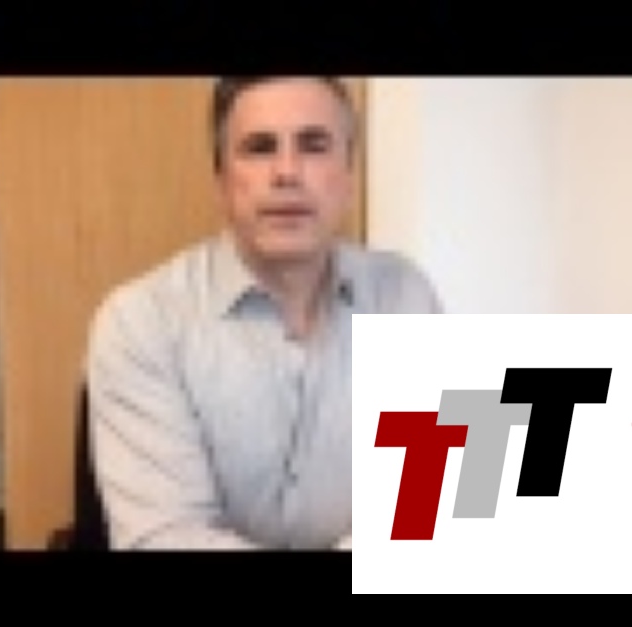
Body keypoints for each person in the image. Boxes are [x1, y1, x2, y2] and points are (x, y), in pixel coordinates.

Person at [85, 77, 442, 550]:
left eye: (313, 146)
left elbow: (425, 508)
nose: (287, 172)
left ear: (349, 176)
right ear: (221, 181)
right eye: (259, 148)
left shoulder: (407, 298)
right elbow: (166, 537)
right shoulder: (140, 323)